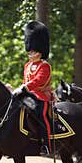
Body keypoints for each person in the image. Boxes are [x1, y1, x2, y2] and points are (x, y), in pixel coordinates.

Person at [13, 21, 55, 154]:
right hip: (27, 96)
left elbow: (39, 81)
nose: (30, 52)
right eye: (29, 50)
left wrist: (24, 87)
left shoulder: (45, 66)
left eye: (33, 50)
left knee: (40, 115)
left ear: (40, 51)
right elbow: (25, 80)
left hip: (41, 97)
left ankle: (46, 144)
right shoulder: (27, 65)